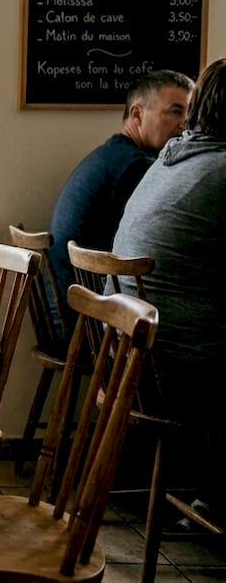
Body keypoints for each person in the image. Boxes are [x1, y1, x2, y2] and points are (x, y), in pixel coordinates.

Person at [112, 56, 226, 524]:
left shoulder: (171, 158)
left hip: (132, 358)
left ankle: (212, 495)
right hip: (176, 373)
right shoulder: (219, 167)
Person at [44, 70, 192, 351]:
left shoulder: (112, 154)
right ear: (137, 114)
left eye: (189, 112)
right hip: (84, 326)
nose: (185, 123)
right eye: (175, 111)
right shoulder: (135, 167)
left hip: (64, 315)